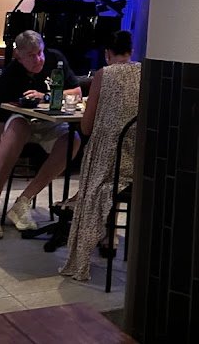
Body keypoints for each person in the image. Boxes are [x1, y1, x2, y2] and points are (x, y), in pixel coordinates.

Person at [0, 30, 81, 239]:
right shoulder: (10, 76)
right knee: (19, 127)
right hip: (19, 124)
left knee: (73, 140)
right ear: (19, 55)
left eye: (40, 52)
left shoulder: (55, 59)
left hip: (48, 122)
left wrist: (46, 95)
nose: (39, 59)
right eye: (32, 56)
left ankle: (23, 201)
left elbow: (76, 92)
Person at [60, 29, 141, 281]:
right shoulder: (146, 73)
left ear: (107, 53)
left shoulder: (103, 75)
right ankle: (109, 237)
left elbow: (86, 127)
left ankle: (91, 231)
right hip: (138, 165)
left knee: (101, 160)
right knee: (114, 158)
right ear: (131, 52)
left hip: (110, 166)